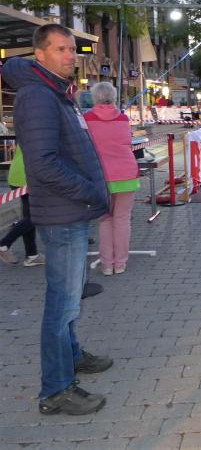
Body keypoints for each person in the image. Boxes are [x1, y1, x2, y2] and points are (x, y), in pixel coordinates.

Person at [5, 24, 112, 416]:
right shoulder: (38, 96)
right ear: (40, 54)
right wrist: (89, 191)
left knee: (69, 299)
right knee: (62, 305)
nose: (70, 56)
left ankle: (72, 356)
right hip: (64, 213)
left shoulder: (55, 91)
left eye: (71, 49)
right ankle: (55, 389)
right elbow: (44, 165)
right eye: (61, 49)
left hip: (71, 211)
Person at [85, 82, 140, 276]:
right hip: (126, 174)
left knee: (105, 220)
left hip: (100, 177)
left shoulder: (86, 119)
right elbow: (127, 141)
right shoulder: (123, 118)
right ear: (114, 97)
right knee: (122, 220)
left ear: (94, 97)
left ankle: (107, 265)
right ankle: (120, 263)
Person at [0, 147, 45, 267]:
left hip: (17, 174)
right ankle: (4, 244)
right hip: (30, 177)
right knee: (36, 216)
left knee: (29, 217)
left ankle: (32, 255)